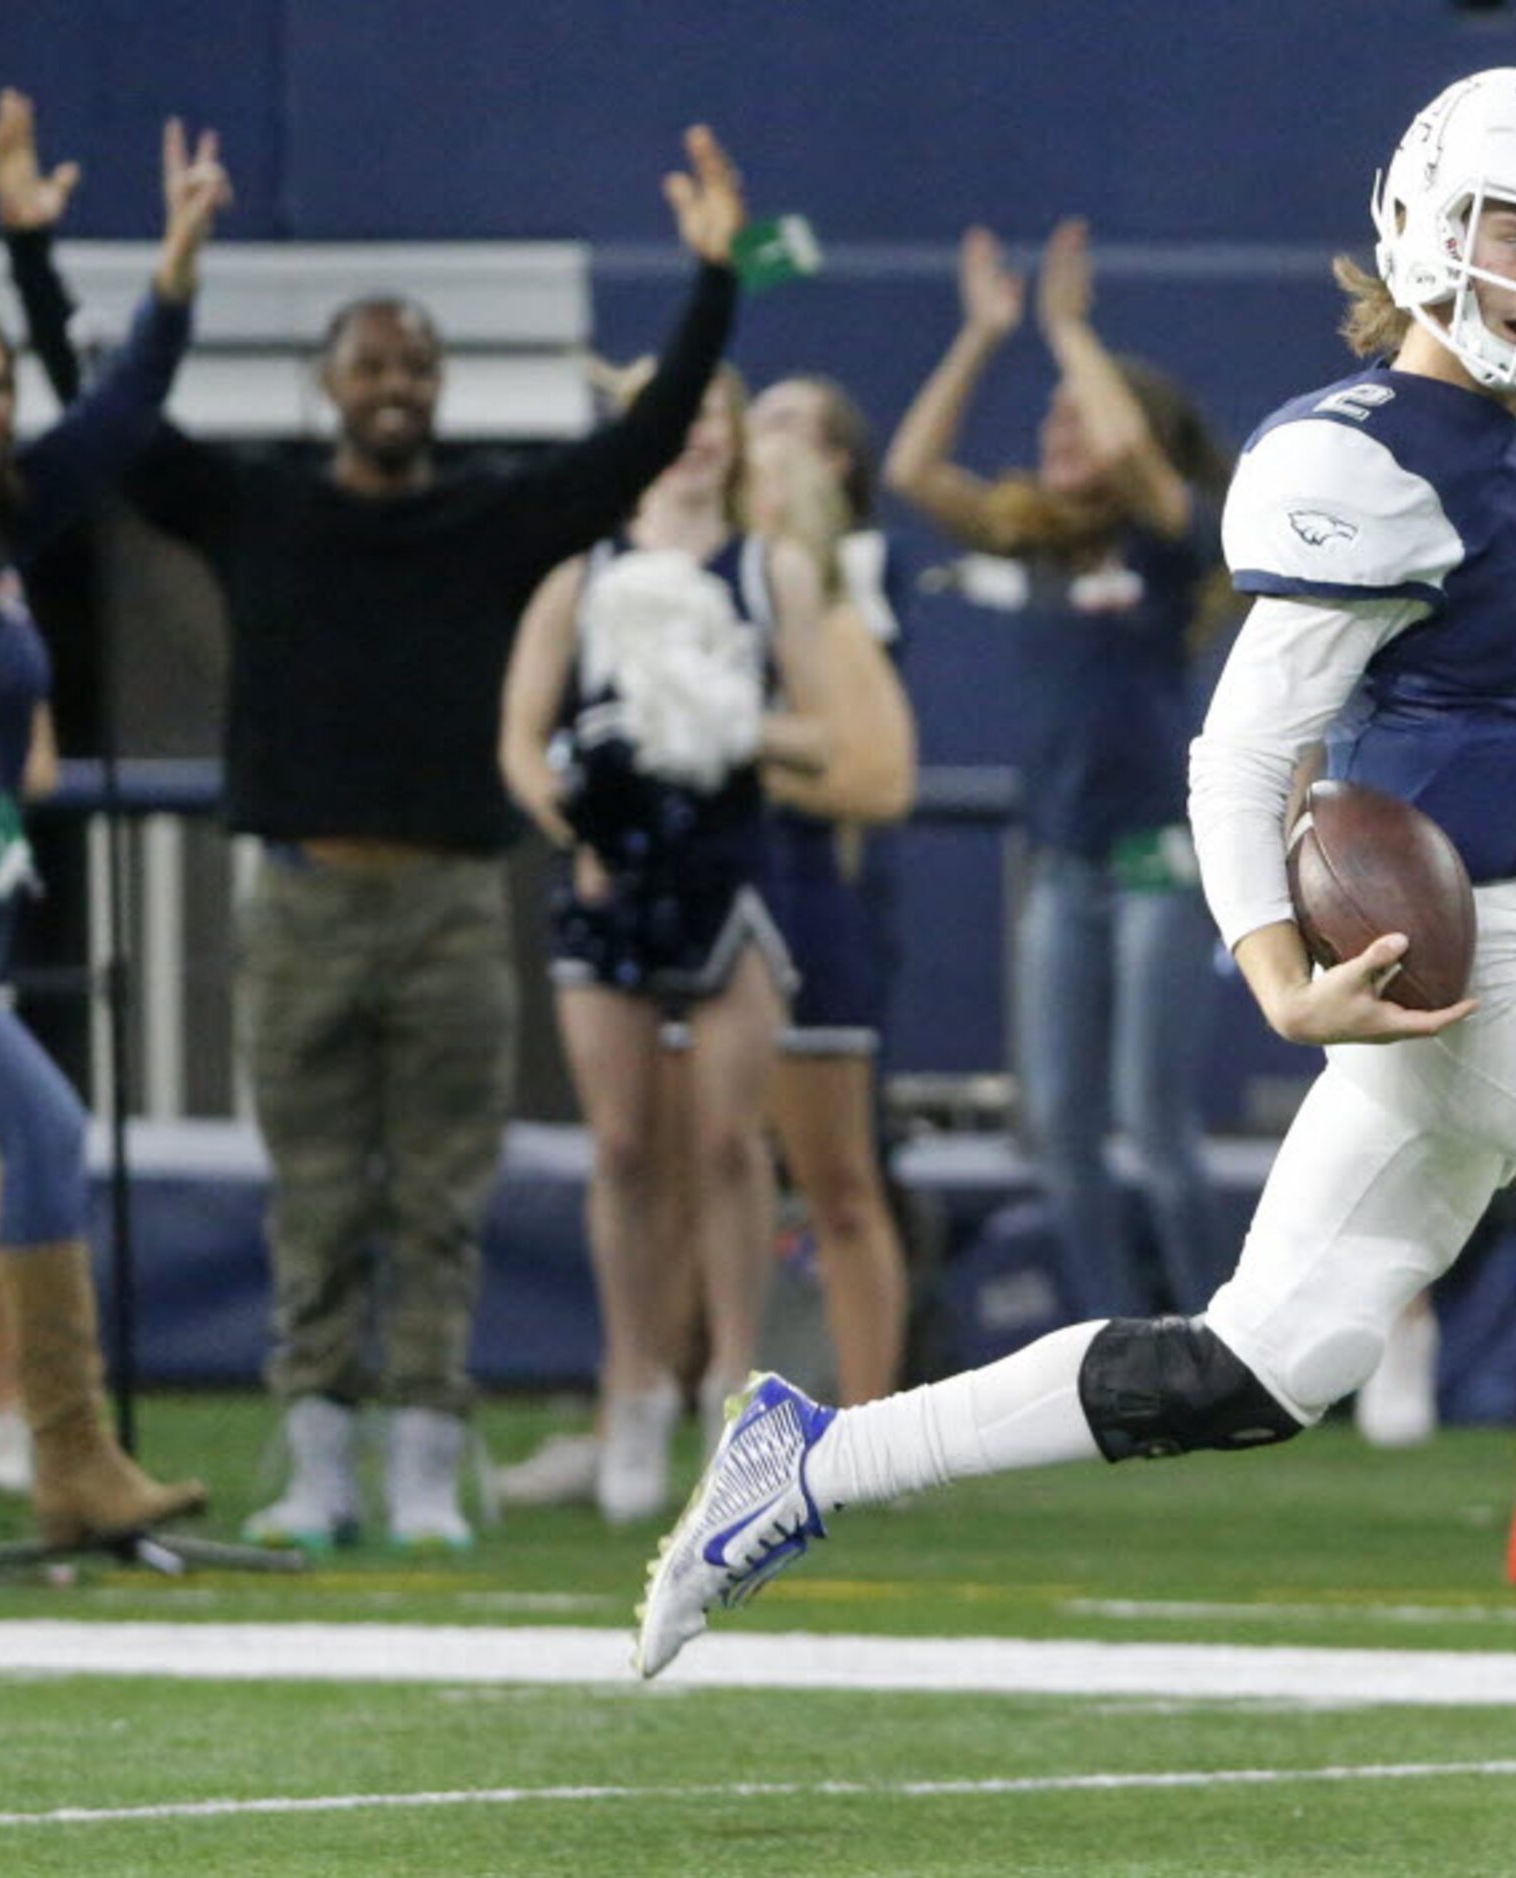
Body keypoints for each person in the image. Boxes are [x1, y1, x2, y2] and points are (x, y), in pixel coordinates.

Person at [637, 67, 1516, 1789]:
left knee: (1265, 1358)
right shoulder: (1359, 454)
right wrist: (1273, 973)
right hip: (1462, 966)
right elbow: (1240, 746)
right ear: (1423, 221)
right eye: (1513, 233)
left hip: (1497, 939)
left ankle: (809, 1461)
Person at [106, 126, 748, 1552]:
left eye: (415, 368)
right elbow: (116, 432)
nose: (394, 387)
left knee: (442, 1198)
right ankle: (319, 1458)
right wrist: (154, 272)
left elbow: (638, 444)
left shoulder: (487, 520)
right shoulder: (255, 507)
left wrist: (714, 281)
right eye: (370, 366)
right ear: (329, 385)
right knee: (316, 1198)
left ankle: (421, 1459)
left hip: (453, 900)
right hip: (300, 899)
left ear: (438, 389)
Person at [497, 363, 846, 1524]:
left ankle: (732, 1393)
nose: (693, 437)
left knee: (733, 1144)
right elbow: (520, 739)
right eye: (672, 415)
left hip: (727, 878)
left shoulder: (769, 567)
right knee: (623, 1146)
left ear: (737, 435)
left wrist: (724, 724)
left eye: (712, 416)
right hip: (610, 887)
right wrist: (582, 821)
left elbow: (827, 733)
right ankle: (631, 1382)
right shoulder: (576, 573)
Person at [882, 219, 1227, 1319]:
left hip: (1155, 859)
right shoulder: (1033, 543)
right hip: (1063, 862)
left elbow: (1136, 461)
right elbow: (911, 468)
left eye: (1077, 411)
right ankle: (1115, 1343)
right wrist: (986, 337)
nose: (1058, 427)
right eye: (1053, 412)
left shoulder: (1172, 543)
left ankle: (1230, 1338)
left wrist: (1071, 333)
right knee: (1062, 1128)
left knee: (1154, 1121)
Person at [0, 97, 227, 1545]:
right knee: (51, 1122)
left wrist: (175, 267)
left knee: (41, 1131)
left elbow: (126, 405)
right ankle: (71, 1453)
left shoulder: (10, 521)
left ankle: (67, 1452)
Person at [746, 374, 917, 1403]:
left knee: (838, 1183)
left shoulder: (836, 605)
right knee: (687, 1181)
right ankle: (663, 1413)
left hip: (805, 899)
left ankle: (867, 1425)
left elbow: (878, 778)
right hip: (696, 908)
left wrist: (722, 753)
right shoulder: (671, 592)